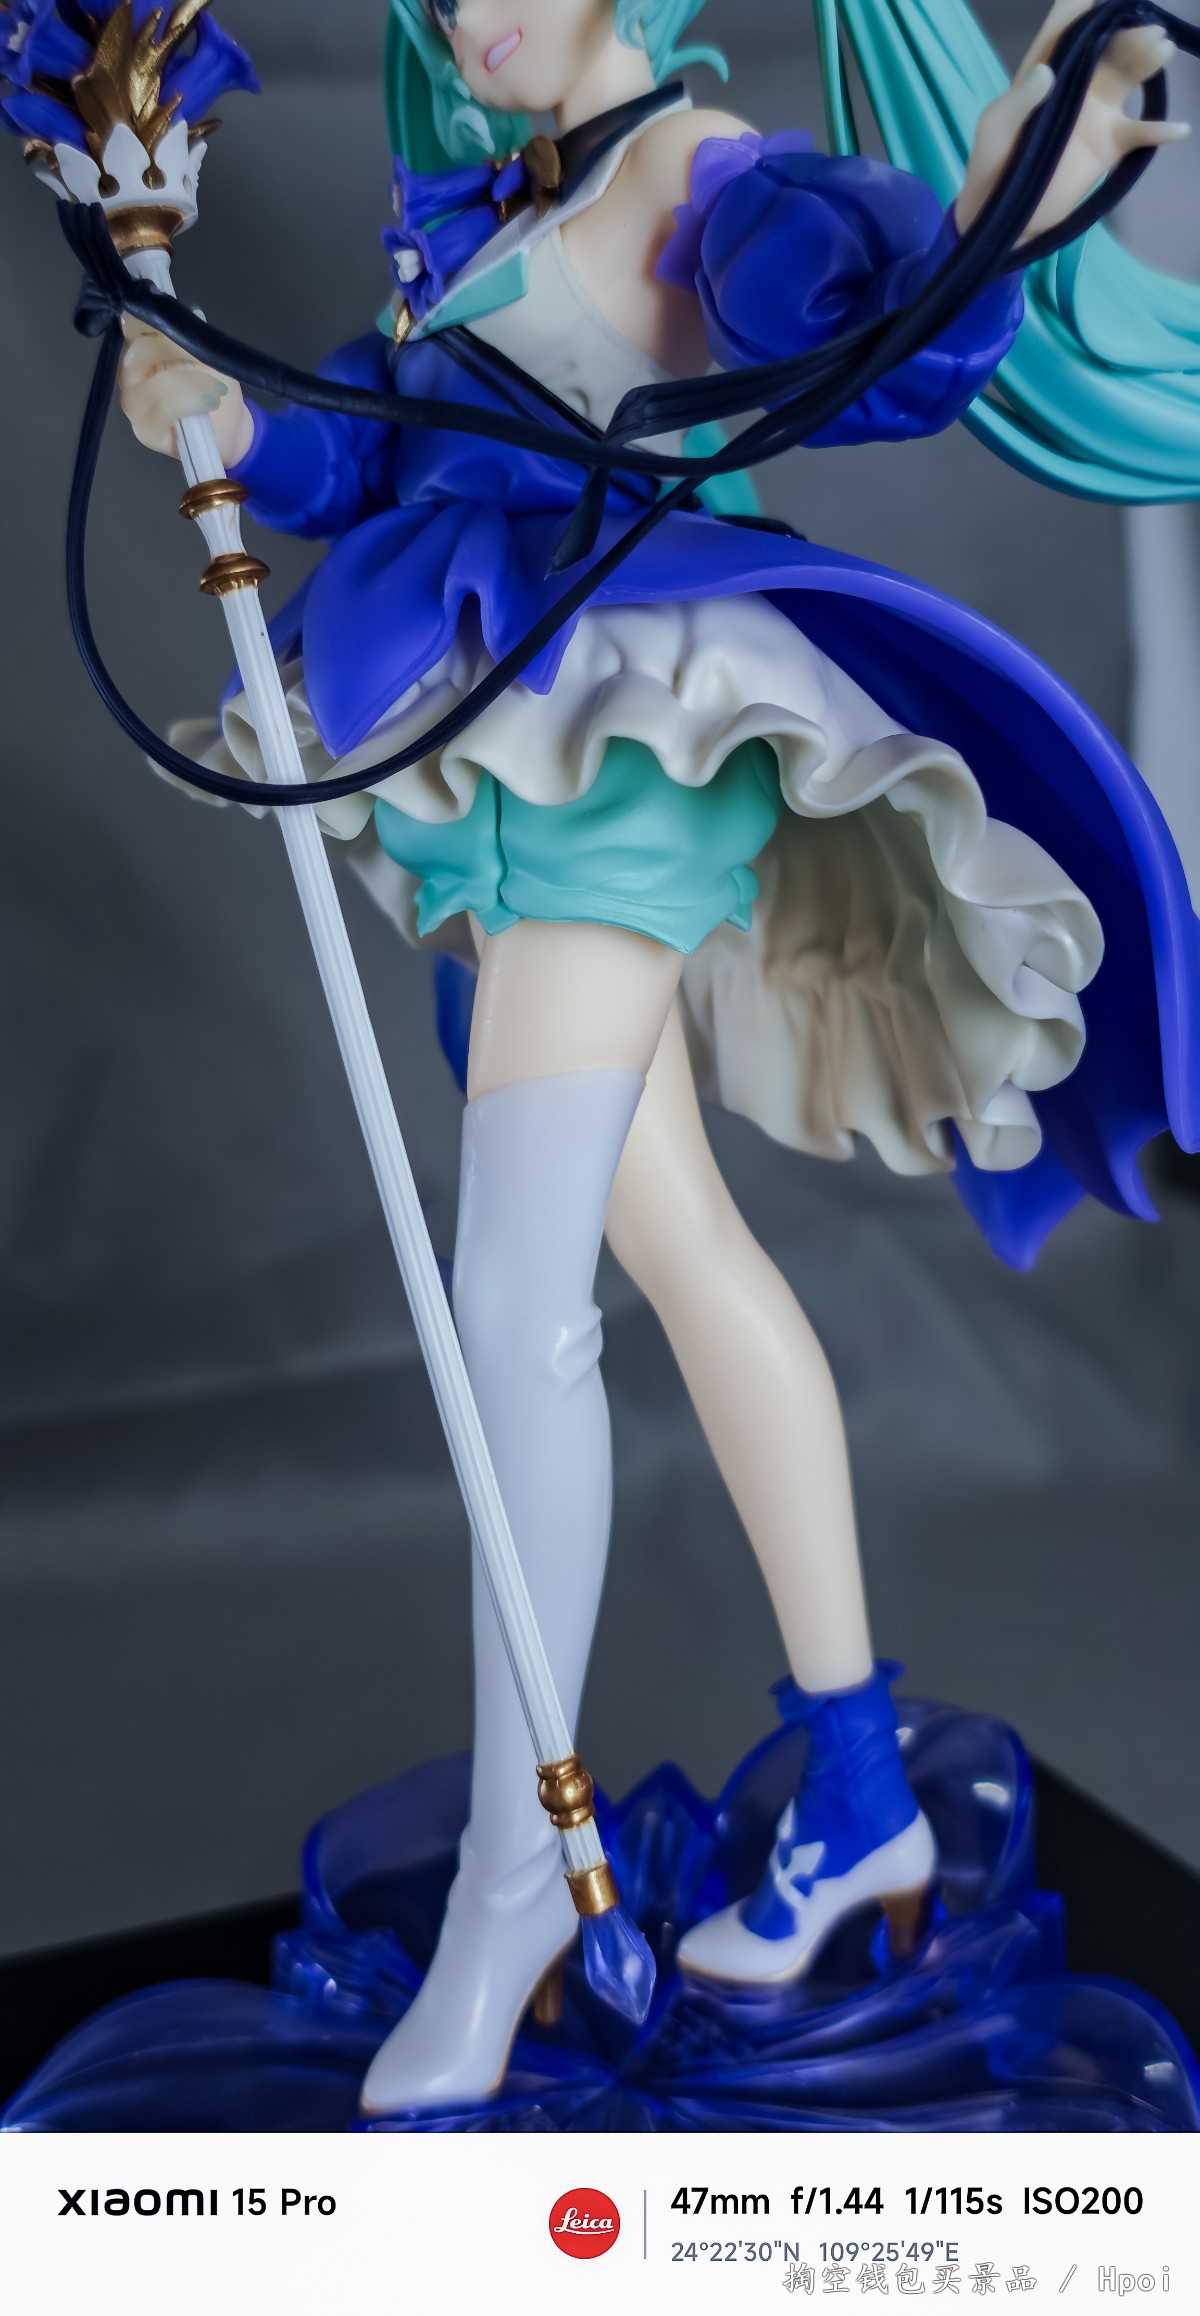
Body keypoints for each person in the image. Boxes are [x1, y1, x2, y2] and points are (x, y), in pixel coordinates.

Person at [117, 0, 1196, 2114]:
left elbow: (876, 337)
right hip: (491, 759)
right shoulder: (483, 208)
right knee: (685, 1257)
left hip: (624, 762)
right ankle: (861, 1796)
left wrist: (997, 210)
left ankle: (520, 1883)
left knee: (513, 1308)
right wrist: (223, 420)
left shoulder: (714, 185)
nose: (468, 19)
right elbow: (379, 452)